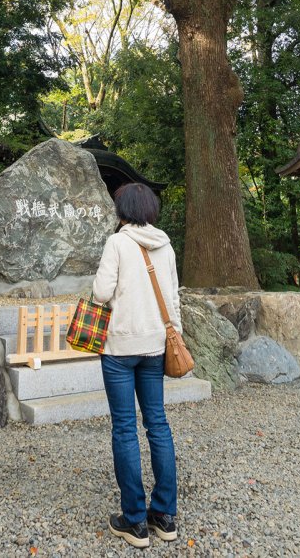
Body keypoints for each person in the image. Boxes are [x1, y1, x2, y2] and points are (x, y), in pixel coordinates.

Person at [92, 182, 181, 549]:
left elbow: (100, 292)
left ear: (123, 209)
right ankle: (163, 515)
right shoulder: (166, 245)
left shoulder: (118, 243)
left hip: (120, 346)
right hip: (156, 344)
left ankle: (134, 521)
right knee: (157, 424)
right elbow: (173, 294)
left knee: (125, 429)